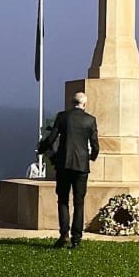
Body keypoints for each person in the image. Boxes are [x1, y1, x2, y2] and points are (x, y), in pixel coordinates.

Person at [38, 91, 99, 249]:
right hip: (81, 166)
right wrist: (91, 157)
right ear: (84, 104)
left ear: (72, 103)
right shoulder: (90, 120)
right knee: (79, 202)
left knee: (63, 200)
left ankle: (64, 233)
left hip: (64, 164)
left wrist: (41, 148)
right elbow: (95, 145)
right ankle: (76, 238)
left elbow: (51, 138)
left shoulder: (62, 117)